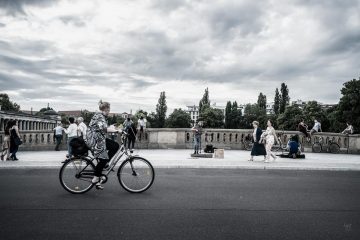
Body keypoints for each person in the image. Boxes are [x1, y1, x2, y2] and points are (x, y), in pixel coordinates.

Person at [85, 100, 120, 190]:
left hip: (99, 138)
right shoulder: (99, 116)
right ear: (105, 109)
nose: (109, 112)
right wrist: (117, 130)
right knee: (103, 159)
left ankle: (105, 164)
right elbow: (104, 129)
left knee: (115, 146)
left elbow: (104, 127)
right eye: (109, 110)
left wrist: (113, 127)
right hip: (95, 140)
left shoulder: (101, 116)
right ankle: (96, 178)